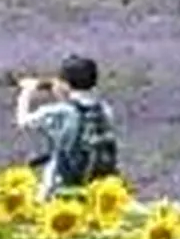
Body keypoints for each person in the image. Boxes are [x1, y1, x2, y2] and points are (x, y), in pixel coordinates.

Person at [15, 56, 120, 196]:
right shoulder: (104, 109)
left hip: (61, 188)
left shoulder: (60, 112)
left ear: (65, 84)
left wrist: (26, 92)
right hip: (97, 188)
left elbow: (23, 122)